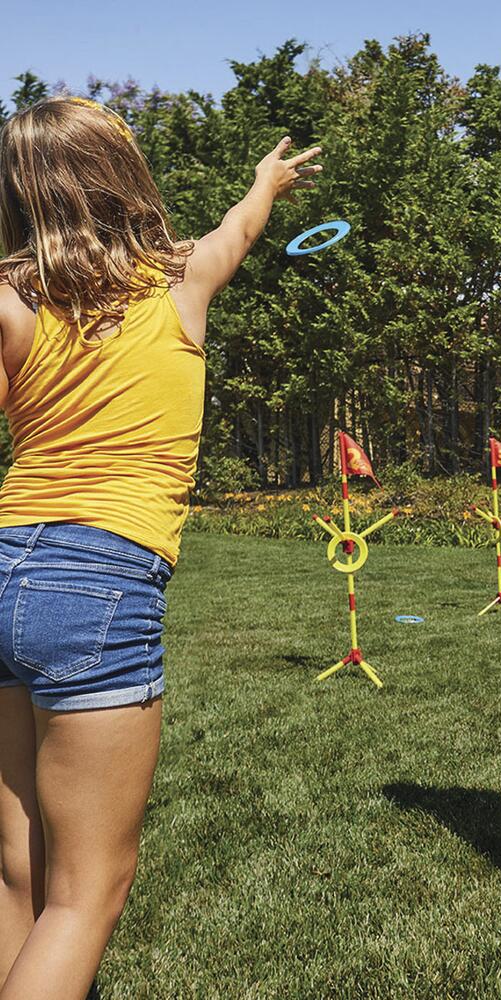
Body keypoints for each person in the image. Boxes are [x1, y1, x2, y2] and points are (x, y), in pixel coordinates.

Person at [0, 96, 321, 1000]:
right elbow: (239, 228)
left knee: (19, 872)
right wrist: (266, 182)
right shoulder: (179, 279)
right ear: (122, 176)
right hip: (97, 580)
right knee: (86, 894)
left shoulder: (8, 300)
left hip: (5, 560)